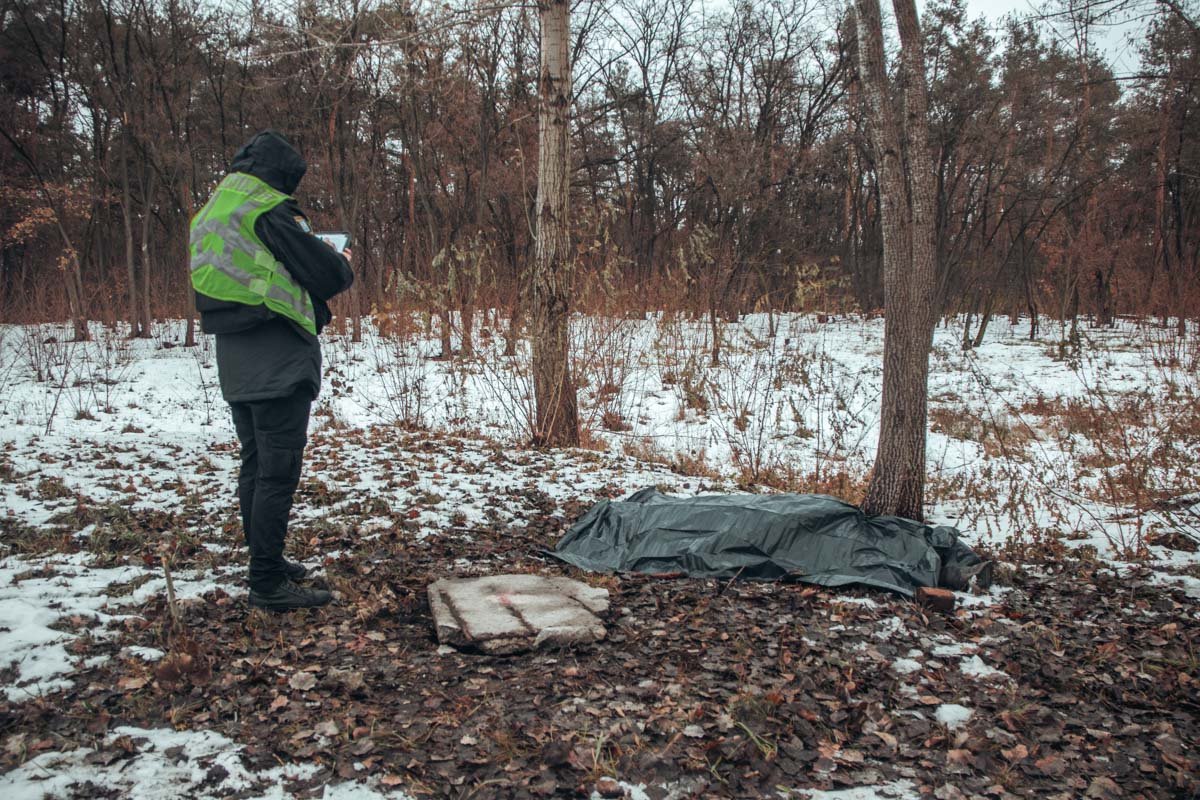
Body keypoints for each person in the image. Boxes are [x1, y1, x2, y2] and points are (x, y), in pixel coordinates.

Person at [189, 130, 354, 611]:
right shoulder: (269, 210)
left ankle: (268, 562)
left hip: (235, 353)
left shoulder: (215, 210)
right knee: (277, 471)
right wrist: (339, 258)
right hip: (277, 352)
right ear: (280, 176)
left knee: (256, 464)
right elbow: (327, 274)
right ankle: (266, 583)